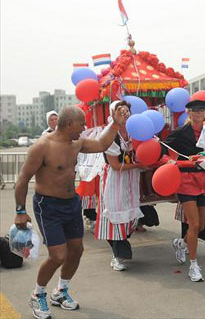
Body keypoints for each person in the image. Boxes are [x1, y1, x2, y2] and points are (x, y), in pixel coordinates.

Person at [14, 105, 128, 319]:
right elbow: (22, 180)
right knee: (58, 255)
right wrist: (20, 210)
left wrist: (116, 123)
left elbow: (103, 143)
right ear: (68, 125)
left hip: (71, 204)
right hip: (47, 206)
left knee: (76, 250)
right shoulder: (42, 147)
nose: (84, 128)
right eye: (81, 124)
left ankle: (60, 292)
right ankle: (37, 294)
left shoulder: (77, 143)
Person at [163, 99, 205, 282]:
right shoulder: (181, 133)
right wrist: (170, 162)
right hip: (187, 181)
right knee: (195, 224)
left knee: (202, 225)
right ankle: (193, 265)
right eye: (196, 110)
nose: (199, 113)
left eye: (202, 110)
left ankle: (181, 243)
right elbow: (163, 148)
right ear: (189, 112)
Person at [94, 101, 146, 271]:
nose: (124, 113)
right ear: (113, 113)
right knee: (116, 216)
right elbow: (116, 166)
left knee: (131, 217)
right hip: (115, 180)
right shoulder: (109, 134)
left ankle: (121, 247)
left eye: (127, 110)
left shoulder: (134, 130)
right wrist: (139, 165)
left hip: (131, 179)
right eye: (120, 110)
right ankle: (117, 256)